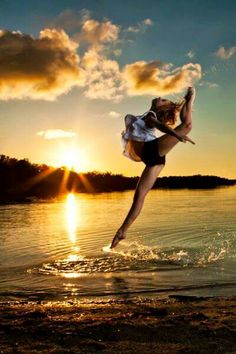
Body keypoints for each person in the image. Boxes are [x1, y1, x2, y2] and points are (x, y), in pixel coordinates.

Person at [110, 86, 196, 249]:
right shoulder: (148, 116)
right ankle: (122, 231)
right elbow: (159, 126)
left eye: (162, 100)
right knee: (139, 197)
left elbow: (158, 124)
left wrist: (176, 134)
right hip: (156, 159)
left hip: (152, 152)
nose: (159, 97)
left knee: (187, 125)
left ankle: (190, 99)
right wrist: (176, 134)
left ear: (159, 108)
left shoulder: (151, 115)